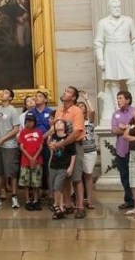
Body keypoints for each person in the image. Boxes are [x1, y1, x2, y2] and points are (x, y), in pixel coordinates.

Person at [94, 0, 135, 123]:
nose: (117, 9)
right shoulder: (103, 23)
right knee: (113, 82)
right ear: (109, 8)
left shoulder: (128, 20)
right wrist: (100, 59)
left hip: (126, 51)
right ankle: (117, 109)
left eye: (118, 7)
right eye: (114, 7)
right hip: (111, 52)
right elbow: (98, 43)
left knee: (132, 80)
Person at [53, 86, 86, 219]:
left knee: (76, 177)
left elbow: (77, 131)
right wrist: (53, 142)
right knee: (64, 176)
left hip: (74, 145)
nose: (64, 92)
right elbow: (55, 128)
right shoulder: (59, 111)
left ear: (73, 97)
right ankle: (67, 204)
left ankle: (80, 206)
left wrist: (63, 143)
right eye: (65, 90)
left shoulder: (76, 110)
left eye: (68, 92)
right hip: (61, 147)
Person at [0, 88, 21, 209]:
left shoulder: (12, 110)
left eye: (6, 93)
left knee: (11, 172)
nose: (3, 94)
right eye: (2, 92)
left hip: (10, 146)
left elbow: (16, 129)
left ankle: (14, 197)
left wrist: (3, 138)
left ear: (10, 98)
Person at [111, 90, 135, 210]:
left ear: (128, 100)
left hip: (134, 149)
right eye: (117, 98)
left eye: (120, 98)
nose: (118, 100)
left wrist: (124, 127)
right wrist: (128, 128)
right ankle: (129, 200)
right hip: (121, 150)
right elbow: (114, 130)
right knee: (124, 176)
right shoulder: (115, 114)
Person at [48, 119, 75, 220]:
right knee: (56, 187)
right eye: (56, 123)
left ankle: (56, 206)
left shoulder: (68, 138)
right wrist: (50, 136)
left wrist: (71, 166)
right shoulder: (53, 137)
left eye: (61, 123)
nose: (58, 124)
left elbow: (73, 154)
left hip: (63, 166)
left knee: (57, 187)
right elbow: (51, 147)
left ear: (65, 126)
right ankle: (61, 208)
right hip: (53, 165)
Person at [18, 111, 43, 211]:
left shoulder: (39, 132)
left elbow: (41, 146)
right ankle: (28, 201)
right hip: (25, 161)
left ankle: (36, 200)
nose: (30, 123)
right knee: (26, 183)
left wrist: (34, 158)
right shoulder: (23, 132)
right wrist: (30, 158)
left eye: (31, 121)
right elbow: (21, 147)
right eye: (28, 121)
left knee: (36, 183)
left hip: (37, 161)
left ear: (34, 122)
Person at [77, 94, 98, 209]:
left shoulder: (89, 120)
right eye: (78, 105)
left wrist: (86, 98)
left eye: (82, 106)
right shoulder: (74, 121)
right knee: (77, 177)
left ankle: (89, 200)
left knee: (88, 175)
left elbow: (93, 110)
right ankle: (79, 200)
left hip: (90, 151)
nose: (81, 107)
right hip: (79, 150)